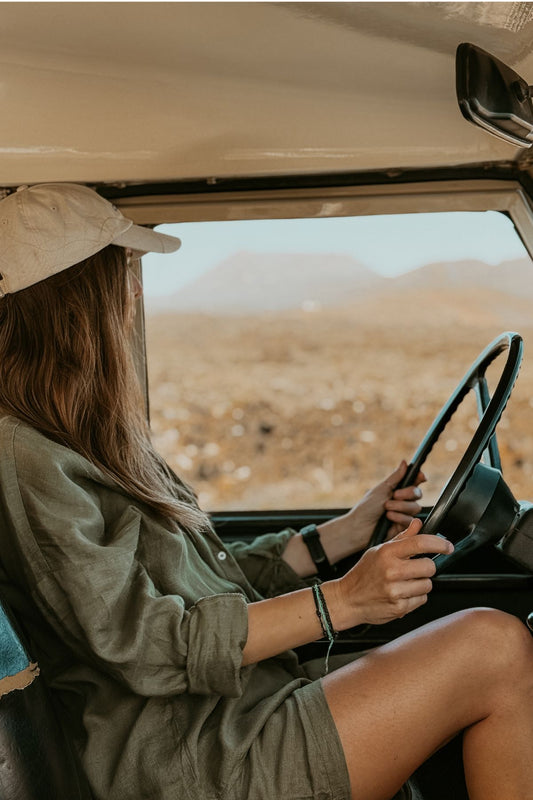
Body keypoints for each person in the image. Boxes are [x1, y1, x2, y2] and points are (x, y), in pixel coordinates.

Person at [0, 183, 531, 800]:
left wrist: (342, 534)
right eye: (121, 275)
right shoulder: (27, 459)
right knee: (495, 646)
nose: (134, 293)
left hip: (234, 709)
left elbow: (206, 582)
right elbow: (143, 644)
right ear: (74, 305)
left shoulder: (87, 439)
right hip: (192, 760)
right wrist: (343, 601)